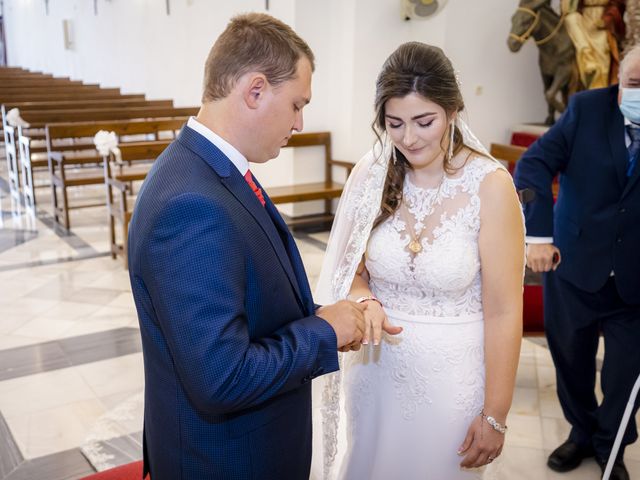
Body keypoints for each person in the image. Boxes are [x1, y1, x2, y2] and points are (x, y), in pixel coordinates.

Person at [127, 13, 366, 480]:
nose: (300, 122)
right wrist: (324, 333)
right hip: (225, 462)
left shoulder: (207, 168)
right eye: (297, 104)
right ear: (255, 90)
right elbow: (221, 377)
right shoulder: (192, 203)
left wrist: (325, 315)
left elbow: (247, 303)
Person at [313, 42, 525, 479]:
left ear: (452, 110)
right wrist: (364, 299)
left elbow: (504, 310)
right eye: (395, 124)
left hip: (452, 382)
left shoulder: (491, 186)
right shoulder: (371, 175)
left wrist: (495, 414)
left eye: (423, 121)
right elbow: (351, 272)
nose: (409, 138)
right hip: (376, 374)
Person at [514, 44, 640, 480]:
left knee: (625, 375)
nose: (639, 92)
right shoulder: (586, 109)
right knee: (572, 363)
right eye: (634, 83)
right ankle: (581, 434)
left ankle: (611, 445)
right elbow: (532, 165)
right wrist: (539, 236)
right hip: (573, 264)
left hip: (635, 278)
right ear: (618, 78)